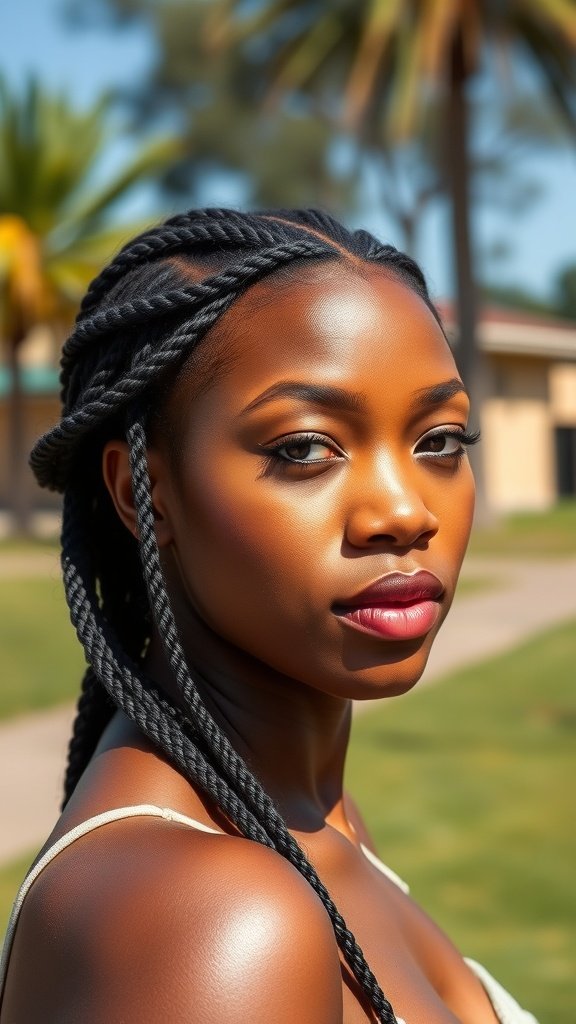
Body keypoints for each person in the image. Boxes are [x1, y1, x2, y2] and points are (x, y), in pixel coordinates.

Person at [0, 208, 538, 1024]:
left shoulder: (314, 817)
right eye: (304, 448)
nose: (403, 511)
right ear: (141, 494)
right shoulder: (215, 918)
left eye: (439, 440)